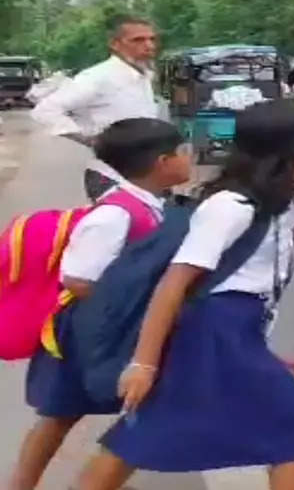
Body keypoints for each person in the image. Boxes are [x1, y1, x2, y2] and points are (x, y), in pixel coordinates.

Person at [75, 100, 294, 490]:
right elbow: (174, 283)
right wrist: (143, 364)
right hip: (216, 328)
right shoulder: (230, 206)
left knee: (147, 428)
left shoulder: (289, 200)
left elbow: (285, 226)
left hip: (236, 327)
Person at [8, 119, 191, 490]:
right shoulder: (115, 214)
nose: (190, 159)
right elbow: (77, 278)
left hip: (108, 326)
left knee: (72, 411)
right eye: (183, 152)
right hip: (86, 332)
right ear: (162, 161)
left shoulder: (149, 204)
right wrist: (126, 308)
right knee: (60, 414)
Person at [31, 16, 161, 202]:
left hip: (146, 175)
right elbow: (46, 110)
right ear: (115, 44)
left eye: (152, 39)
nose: (148, 45)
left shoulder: (143, 76)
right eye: (138, 40)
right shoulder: (98, 77)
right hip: (113, 177)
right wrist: (90, 139)